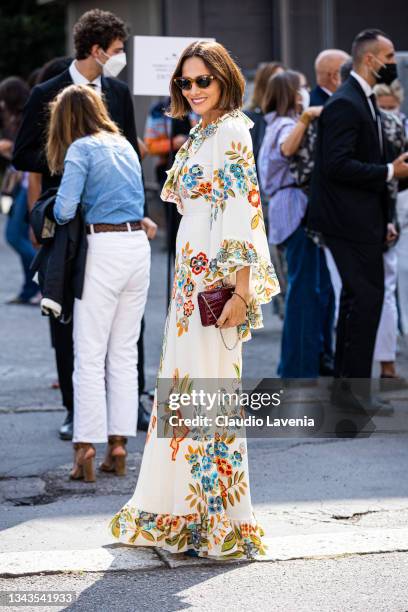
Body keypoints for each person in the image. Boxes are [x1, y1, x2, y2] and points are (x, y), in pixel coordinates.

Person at [110, 40, 280, 559]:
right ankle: (178, 512)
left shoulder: (230, 131)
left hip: (214, 286)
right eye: (186, 81)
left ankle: (220, 521)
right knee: (183, 399)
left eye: (203, 80)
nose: (194, 89)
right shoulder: (202, 130)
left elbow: (243, 213)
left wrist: (241, 291)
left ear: (225, 79)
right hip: (191, 283)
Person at [12, 9, 156, 439]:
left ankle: (129, 407)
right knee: (66, 316)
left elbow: (128, 147)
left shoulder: (117, 91)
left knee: (130, 325)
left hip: (118, 227)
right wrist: (69, 162)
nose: (121, 56)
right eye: (116, 50)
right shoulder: (48, 91)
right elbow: (22, 155)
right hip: (71, 223)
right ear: (96, 50)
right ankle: (76, 410)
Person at [47, 84, 151, 482]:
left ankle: (86, 447)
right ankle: (119, 444)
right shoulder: (123, 143)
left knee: (89, 355)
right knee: (124, 353)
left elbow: (64, 209)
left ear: (66, 119)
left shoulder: (80, 150)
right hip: (135, 247)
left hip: (103, 247)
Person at [307, 29, 408, 412]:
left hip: (363, 221)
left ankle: (348, 396)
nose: (393, 62)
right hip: (346, 223)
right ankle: (351, 399)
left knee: (357, 305)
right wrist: (387, 172)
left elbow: (379, 165)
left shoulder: (361, 100)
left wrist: (386, 212)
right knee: (363, 304)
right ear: (371, 60)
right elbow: (337, 166)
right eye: (390, 54)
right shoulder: (346, 103)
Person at [258, 70, 322, 378]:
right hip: (295, 210)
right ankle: (298, 371)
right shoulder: (286, 125)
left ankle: (296, 368)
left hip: (286, 211)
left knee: (302, 292)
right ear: (292, 95)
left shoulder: (273, 124)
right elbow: (288, 148)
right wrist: (307, 118)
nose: (306, 92)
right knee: (304, 295)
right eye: (302, 89)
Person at [0, 77, 39, 304]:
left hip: (28, 184)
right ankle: (29, 289)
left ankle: (45, 276)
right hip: (21, 183)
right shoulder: (16, 118)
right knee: (21, 235)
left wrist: (11, 147)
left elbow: (29, 150)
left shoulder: (25, 118)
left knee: (14, 236)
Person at [245, 62, 284, 162]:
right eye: (276, 81)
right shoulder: (249, 119)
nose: (281, 86)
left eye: (284, 80)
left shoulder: (292, 117)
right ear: (264, 86)